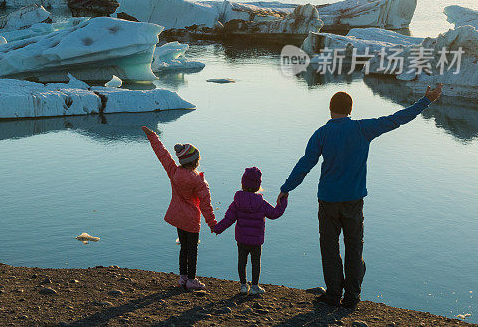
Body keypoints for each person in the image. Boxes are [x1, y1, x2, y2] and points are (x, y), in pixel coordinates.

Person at [278, 84, 443, 309]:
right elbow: (397, 119)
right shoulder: (363, 129)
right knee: (354, 247)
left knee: (330, 247)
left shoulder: (322, 134)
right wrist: (426, 101)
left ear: (330, 109)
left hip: (328, 201)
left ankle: (333, 294)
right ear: (351, 109)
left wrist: (287, 188)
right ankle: (352, 297)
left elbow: (306, 163)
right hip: (354, 201)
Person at [142, 126, 217, 290]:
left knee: (183, 248)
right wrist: (212, 224)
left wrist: (153, 137)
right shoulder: (198, 181)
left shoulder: (173, 171)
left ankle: (183, 278)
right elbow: (205, 204)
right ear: (195, 161)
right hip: (191, 220)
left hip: (178, 218)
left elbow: (163, 155)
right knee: (193, 250)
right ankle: (191, 280)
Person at [213, 167, 287, 295]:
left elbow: (228, 219)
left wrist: (217, 228)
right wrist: (283, 200)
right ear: (258, 185)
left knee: (242, 261)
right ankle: (254, 287)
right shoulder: (262, 203)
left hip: (241, 239)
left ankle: (242, 285)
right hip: (256, 240)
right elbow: (275, 214)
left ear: (242, 183)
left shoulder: (237, 201)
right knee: (255, 263)